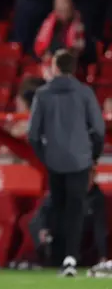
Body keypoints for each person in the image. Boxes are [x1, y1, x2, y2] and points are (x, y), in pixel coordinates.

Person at [28, 49, 105, 276]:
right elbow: (99, 130)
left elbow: (32, 134)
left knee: (57, 207)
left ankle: (57, 256)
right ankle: (71, 257)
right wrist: (93, 156)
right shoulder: (84, 93)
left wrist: (45, 157)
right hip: (80, 161)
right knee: (76, 209)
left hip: (54, 161)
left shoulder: (42, 94)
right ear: (73, 68)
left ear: (55, 67)